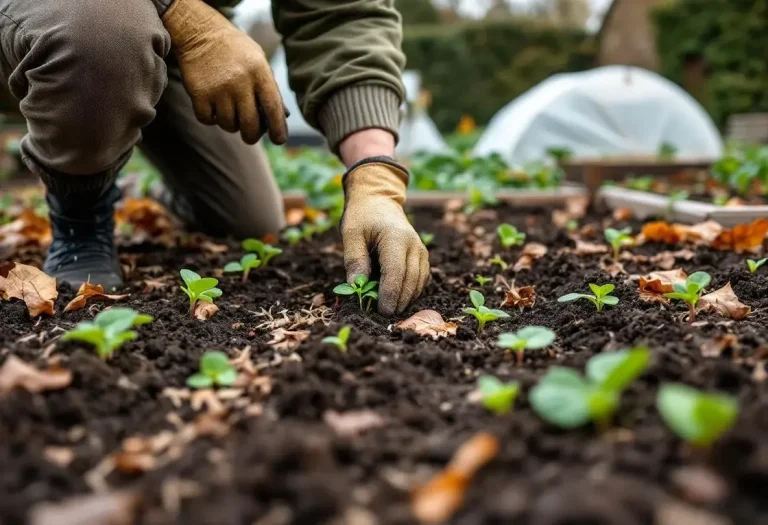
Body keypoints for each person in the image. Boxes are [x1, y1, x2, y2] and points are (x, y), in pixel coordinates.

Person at [0, 0, 430, 316]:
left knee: (249, 216)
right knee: (100, 33)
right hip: (56, 17)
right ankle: (81, 212)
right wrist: (181, 12)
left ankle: (135, 184)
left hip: (172, 46)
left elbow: (342, 17)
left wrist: (375, 181)